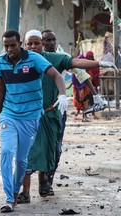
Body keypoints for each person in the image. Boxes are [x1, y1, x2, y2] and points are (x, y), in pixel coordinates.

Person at [18, 29, 118, 203]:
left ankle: (44, 183)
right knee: (28, 154)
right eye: (30, 44)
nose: (34, 47)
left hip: (50, 114)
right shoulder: (19, 60)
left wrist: (99, 62)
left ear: (42, 44)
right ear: (24, 45)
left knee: (50, 152)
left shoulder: (53, 58)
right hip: (27, 117)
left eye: (37, 43)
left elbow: (76, 63)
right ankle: (25, 193)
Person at [0, 29, 68, 213]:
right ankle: (8, 198)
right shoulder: (0, 62)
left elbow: (56, 75)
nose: (9, 49)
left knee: (22, 161)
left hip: (30, 117)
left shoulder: (34, 59)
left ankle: (15, 192)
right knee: (6, 152)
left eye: (13, 45)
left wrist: (63, 95)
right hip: (9, 115)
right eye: (6, 46)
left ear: (20, 44)